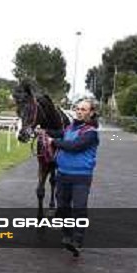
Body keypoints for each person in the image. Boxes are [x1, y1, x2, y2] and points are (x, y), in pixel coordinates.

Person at [45, 98, 100, 256]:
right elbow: (58, 133)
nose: (79, 112)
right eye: (78, 109)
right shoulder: (69, 128)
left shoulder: (91, 133)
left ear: (91, 112)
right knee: (63, 208)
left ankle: (77, 241)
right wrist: (42, 131)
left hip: (81, 177)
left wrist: (54, 141)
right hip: (62, 175)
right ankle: (67, 236)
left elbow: (74, 146)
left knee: (79, 209)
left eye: (83, 109)